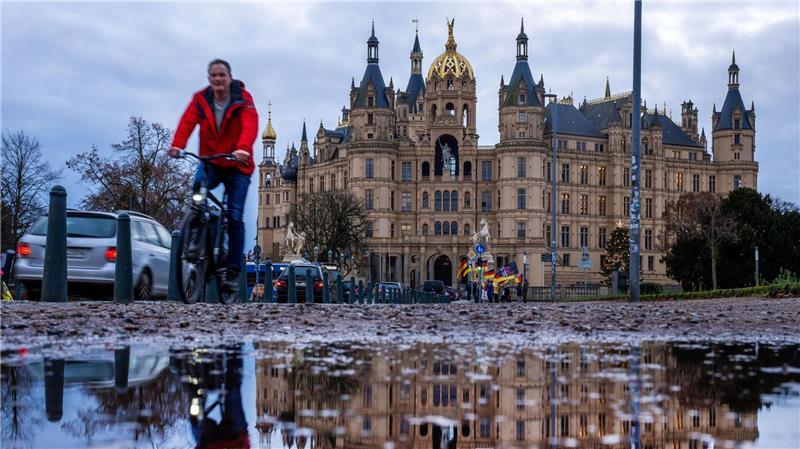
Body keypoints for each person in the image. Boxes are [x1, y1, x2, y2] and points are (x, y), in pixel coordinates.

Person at [169, 59, 258, 293]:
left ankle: (231, 270)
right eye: (214, 76)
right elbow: (187, 121)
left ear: (230, 77)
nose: (218, 79)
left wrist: (243, 149)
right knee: (198, 193)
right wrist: (177, 145)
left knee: (235, 216)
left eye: (222, 75)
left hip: (237, 164)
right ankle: (198, 235)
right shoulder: (201, 99)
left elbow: (250, 125)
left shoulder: (243, 100)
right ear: (209, 79)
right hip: (211, 160)